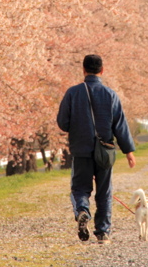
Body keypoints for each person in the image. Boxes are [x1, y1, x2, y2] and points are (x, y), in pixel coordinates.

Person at [56, 54, 136, 244]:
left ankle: (83, 210)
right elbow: (120, 125)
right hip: (105, 151)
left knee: (80, 188)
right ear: (102, 70)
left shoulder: (72, 93)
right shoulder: (110, 94)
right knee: (104, 191)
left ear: (83, 70)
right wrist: (129, 152)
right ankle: (103, 232)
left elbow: (62, 123)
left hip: (81, 150)